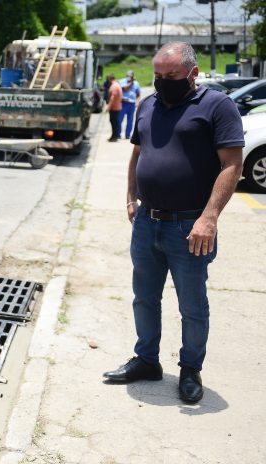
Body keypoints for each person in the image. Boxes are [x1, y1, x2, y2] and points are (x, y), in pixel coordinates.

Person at [103, 42, 243, 404]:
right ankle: (147, 360)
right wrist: (130, 195)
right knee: (144, 298)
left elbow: (232, 165)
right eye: (159, 76)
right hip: (147, 223)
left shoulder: (217, 106)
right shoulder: (147, 104)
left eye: (172, 76)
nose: (163, 82)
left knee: (192, 305)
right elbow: (138, 153)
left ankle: (190, 369)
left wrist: (209, 217)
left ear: (193, 73)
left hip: (190, 227)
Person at [118, 70, 142, 139]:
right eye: (128, 76)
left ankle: (128, 135)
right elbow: (125, 89)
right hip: (123, 102)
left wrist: (138, 102)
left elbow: (138, 94)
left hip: (131, 104)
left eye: (130, 76)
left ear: (133, 76)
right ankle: (118, 134)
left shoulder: (136, 83)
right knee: (119, 119)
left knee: (130, 120)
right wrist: (131, 82)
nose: (129, 77)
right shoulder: (122, 81)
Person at [106, 74, 122, 142]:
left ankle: (114, 137)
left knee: (114, 122)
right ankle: (114, 135)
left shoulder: (114, 86)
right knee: (115, 122)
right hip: (117, 107)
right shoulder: (117, 85)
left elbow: (113, 97)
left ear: (110, 79)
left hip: (114, 107)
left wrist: (108, 107)